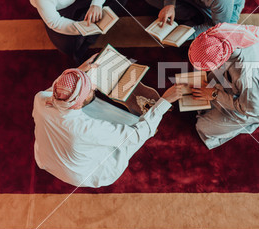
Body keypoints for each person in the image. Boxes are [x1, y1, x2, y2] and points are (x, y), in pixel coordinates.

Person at [32, 55, 183, 188]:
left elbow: (57, 89)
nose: (94, 87)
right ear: (78, 102)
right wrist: (164, 101)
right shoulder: (86, 129)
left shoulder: (40, 99)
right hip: (85, 173)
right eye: (90, 89)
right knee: (135, 130)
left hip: (45, 159)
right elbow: (137, 134)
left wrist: (78, 71)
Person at [188, 23, 259, 149]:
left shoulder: (246, 75)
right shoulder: (225, 31)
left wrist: (214, 94)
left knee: (203, 126)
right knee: (211, 79)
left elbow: (250, 110)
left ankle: (241, 125)